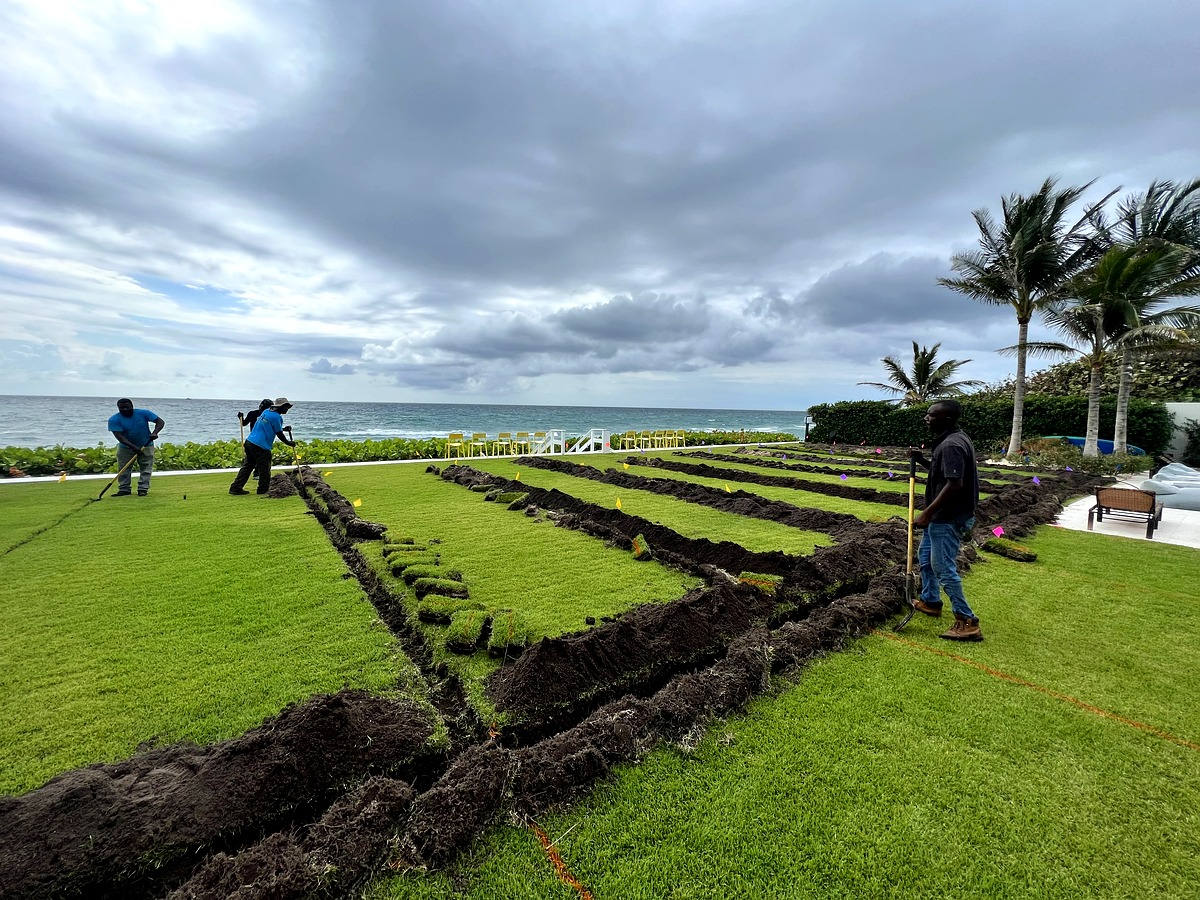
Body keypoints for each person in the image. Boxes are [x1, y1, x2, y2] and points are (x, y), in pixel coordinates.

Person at [907, 399, 982, 641]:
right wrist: (922, 461)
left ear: (946, 419)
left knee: (942, 566)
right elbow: (944, 473)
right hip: (939, 517)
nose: (925, 418)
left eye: (931, 415)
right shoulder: (952, 439)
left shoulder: (951, 445)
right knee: (926, 560)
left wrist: (927, 513)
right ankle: (931, 601)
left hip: (948, 517)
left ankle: (967, 620)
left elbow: (954, 484)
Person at [230, 397, 296, 495]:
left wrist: (284, 430)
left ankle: (235, 487)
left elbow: (270, 427)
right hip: (261, 446)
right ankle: (263, 490)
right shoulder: (277, 417)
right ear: (280, 407)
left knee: (247, 466)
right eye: (286, 407)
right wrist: (289, 443)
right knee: (265, 468)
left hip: (250, 442)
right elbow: (279, 433)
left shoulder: (266, 411)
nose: (287, 409)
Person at [107, 399, 165, 497]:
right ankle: (124, 489)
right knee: (124, 469)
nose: (125, 409)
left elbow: (160, 422)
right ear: (118, 408)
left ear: (132, 406)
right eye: (122, 408)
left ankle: (143, 489)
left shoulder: (144, 413)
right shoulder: (114, 420)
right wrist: (134, 448)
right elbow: (120, 437)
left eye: (127, 407)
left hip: (146, 445)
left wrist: (155, 432)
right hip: (125, 447)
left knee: (146, 468)